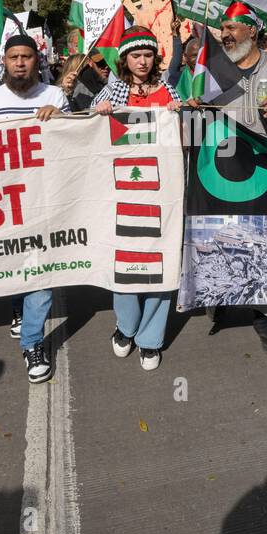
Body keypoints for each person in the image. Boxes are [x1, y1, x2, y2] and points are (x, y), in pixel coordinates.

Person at [0, 35, 68, 382]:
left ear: (37, 60)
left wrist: (63, 118)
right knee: (12, 263)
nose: (20, 63)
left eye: (26, 56)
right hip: (4, 202)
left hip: (45, 199)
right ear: (3, 62)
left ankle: (32, 342)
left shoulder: (54, 96)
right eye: (13, 57)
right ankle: (18, 307)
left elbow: (79, 142)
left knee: (40, 270)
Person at [207, 1, 267, 355]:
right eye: (223, 28)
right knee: (224, 238)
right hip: (222, 174)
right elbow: (196, 117)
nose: (226, 34)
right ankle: (221, 295)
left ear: (252, 30)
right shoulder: (213, 70)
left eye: (233, 28)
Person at [91, 26, 182, 371]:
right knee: (125, 260)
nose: (142, 62)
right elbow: (89, 135)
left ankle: (150, 339)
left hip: (164, 192)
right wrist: (96, 114)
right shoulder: (113, 91)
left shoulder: (167, 89)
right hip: (123, 191)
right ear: (125, 60)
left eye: (147, 55)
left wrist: (181, 113)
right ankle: (126, 327)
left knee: (162, 261)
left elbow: (185, 134)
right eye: (135, 55)